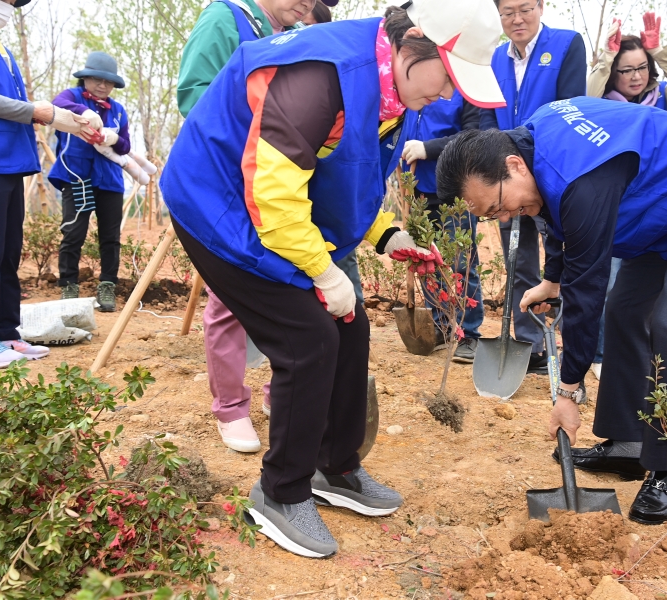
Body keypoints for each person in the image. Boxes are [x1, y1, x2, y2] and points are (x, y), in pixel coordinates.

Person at [160, 1, 504, 557]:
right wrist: (323, 270)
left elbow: (345, 175)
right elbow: (273, 194)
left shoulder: (390, 85)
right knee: (308, 338)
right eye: (449, 79)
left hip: (273, 208)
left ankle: (334, 467)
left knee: (350, 325)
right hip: (216, 206)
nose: (447, 97)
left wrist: (389, 236)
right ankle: (280, 492)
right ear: (415, 43)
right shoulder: (320, 76)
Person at [436, 96, 667, 525]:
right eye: (491, 215)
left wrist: (569, 392)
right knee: (625, 314)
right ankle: (630, 444)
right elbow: (552, 212)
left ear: (514, 165)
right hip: (662, 213)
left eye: (499, 205)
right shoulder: (535, 141)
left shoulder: (583, 179)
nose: (504, 217)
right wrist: (552, 276)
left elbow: (586, 289)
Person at [176, 0, 340, 454]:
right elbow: (194, 95)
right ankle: (231, 407)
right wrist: (261, 133)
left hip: (281, 182)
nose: (310, 3)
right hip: (229, 186)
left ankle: (277, 394)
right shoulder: (224, 18)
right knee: (229, 300)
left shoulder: (299, 33)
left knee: (288, 290)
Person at [587, 12, 667, 380]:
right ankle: (603, 356)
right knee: (611, 284)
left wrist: (659, 51)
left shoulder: (662, 99)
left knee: (653, 287)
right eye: (626, 70)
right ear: (614, 74)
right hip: (620, 207)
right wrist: (605, 57)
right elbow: (585, 94)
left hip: (660, 208)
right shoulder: (606, 105)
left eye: (642, 67)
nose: (636, 76)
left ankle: (644, 355)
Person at [480, 0, 586, 373]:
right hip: (506, 176)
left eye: (525, 8)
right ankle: (530, 343)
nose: (517, 19)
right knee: (518, 261)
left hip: (549, 176)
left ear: (541, 6)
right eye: (508, 12)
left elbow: (573, 108)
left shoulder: (566, 44)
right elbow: (486, 115)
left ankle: (575, 345)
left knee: (566, 260)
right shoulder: (495, 59)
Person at [0, 0, 83, 368]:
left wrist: (52, 115)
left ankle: (6, 331)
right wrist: (33, 110)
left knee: (8, 253)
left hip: (7, 159)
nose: (8, 6)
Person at [401, 89, 483, 362]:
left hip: (454, 191)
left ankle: (469, 333)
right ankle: (442, 326)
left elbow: (472, 137)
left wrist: (429, 148)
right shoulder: (412, 83)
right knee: (426, 263)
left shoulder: (464, 88)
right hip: (416, 190)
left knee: (461, 263)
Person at [49, 52, 131, 313]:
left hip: (109, 181)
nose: (103, 86)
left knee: (110, 236)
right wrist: (82, 110)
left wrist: (113, 140)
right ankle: (68, 286)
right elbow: (55, 104)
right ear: (85, 78)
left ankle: (107, 285)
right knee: (73, 233)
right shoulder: (71, 98)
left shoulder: (118, 111)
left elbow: (126, 145)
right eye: (97, 79)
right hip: (76, 176)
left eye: (108, 82)